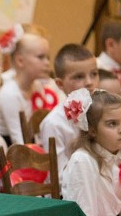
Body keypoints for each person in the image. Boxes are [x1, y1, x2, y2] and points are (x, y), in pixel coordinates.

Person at [0, 24, 62, 144]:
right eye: (40, 57)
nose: (47, 63)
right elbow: (18, 140)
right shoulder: (10, 94)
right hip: (8, 150)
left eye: (47, 57)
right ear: (20, 61)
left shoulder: (36, 86)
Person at [39, 43, 99, 176]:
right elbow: (58, 175)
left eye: (94, 74)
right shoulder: (54, 124)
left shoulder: (102, 112)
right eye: (79, 77)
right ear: (60, 84)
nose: (89, 82)